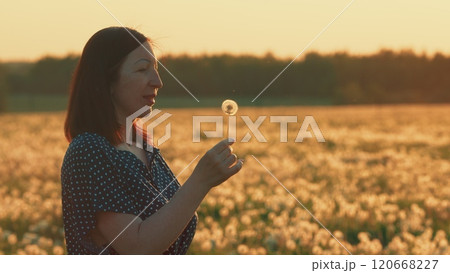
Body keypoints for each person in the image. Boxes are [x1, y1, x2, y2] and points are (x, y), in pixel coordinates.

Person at [61, 26, 244, 254]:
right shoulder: (90, 150)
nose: (157, 82)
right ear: (107, 81)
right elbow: (139, 248)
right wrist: (200, 181)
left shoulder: (145, 147)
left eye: (156, 69)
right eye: (142, 70)